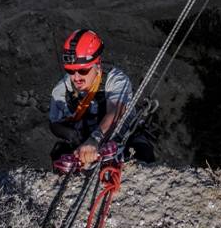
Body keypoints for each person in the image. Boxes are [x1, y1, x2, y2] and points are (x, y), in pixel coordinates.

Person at [48, 28, 155, 168]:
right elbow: (54, 123)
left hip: (124, 141)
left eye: (83, 70)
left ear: (97, 65)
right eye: (70, 70)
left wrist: (95, 139)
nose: (76, 77)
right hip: (86, 148)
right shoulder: (61, 90)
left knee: (142, 151)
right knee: (59, 154)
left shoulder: (116, 80)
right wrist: (71, 134)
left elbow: (115, 112)